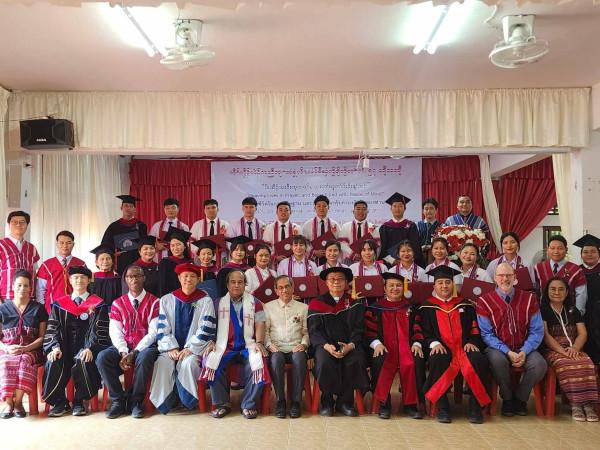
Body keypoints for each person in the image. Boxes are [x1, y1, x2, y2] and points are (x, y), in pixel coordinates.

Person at [419, 265, 491, 424]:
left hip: (464, 347)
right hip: (442, 348)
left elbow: (474, 327)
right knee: (437, 359)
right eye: (440, 283)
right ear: (434, 287)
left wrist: (472, 342)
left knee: (477, 359)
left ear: (453, 285)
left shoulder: (465, 305)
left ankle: (475, 408)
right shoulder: (426, 307)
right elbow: (425, 332)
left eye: (448, 282)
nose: (444, 286)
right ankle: (443, 407)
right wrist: (434, 344)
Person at [476, 263, 546, 417]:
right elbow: (486, 334)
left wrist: (524, 351)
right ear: (495, 278)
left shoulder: (529, 299)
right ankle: (507, 399)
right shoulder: (484, 301)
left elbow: (537, 330)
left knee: (539, 364)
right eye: (501, 275)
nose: (505, 279)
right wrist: (507, 352)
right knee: (498, 362)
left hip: (524, 347)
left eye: (508, 275)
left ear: (515, 277)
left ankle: (520, 398)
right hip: (497, 349)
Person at [42, 266, 110, 417]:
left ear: (88, 281)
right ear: (70, 280)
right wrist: (55, 347)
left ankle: (79, 400)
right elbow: (53, 327)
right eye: (76, 278)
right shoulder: (60, 304)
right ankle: (60, 402)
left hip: (86, 348)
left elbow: (99, 330)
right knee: (54, 359)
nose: (79, 280)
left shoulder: (98, 304)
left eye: (83, 277)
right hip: (64, 347)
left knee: (84, 359)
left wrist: (90, 348)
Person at [201, 269, 269, 419]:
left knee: (259, 361)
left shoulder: (255, 303)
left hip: (248, 346)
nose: (237, 285)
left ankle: (248, 404)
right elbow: (211, 325)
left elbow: (260, 323)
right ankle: (223, 403)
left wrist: (259, 342)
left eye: (240, 282)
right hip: (225, 347)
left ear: (245, 285)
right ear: (227, 285)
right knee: (210, 360)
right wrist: (211, 341)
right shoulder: (218, 303)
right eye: (233, 282)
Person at [149, 264, 215, 414]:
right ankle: (168, 401)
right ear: (179, 278)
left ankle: (186, 400)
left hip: (194, 348)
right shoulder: (167, 300)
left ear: (198, 279)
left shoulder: (205, 301)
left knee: (188, 364)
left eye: (192, 276)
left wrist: (190, 348)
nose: (188, 279)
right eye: (185, 276)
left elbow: (205, 327)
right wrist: (171, 347)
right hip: (171, 348)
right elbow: (162, 327)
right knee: (162, 362)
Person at [97, 265, 160, 419]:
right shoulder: (118, 303)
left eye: (138, 276)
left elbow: (153, 333)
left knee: (145, 358)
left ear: (144, 278)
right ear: (125, 280)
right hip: (124, 347)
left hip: (146, 347)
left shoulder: (155, 302)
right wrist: (123, 351)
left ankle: (136, 401)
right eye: (130, 276)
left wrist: (135, 352)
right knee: (103, 357)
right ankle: (119, 400)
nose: (134, 279)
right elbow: (115, 332)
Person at [308, 266, 370, 417]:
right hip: (325, 346)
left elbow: (358, 329)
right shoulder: (317, 303)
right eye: (332, 279)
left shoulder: (354, 303)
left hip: (350, 345)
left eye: (340, 279)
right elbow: (314, 330)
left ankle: (345, 402)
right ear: (326, 283)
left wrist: (350, 345)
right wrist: (326, 346)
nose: (336, 282)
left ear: (346, 282)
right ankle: (327, 401)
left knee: (354, 360)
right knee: (324, 361)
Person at [364, 272, 425, 420]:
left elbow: (418, 329)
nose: (395, 288)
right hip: (384, 347)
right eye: (391, 285)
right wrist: (377, 345)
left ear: (404, 288)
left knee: (416, 360)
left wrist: (417, 344)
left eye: (399, 285)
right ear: (384, 289)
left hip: (407, 348)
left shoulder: (411, 309)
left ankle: (411, 405)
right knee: (379, 359)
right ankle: (384, 403)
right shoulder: (375, 309)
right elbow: (369, 332)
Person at [540, 277, 598, 422]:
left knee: (588, 363)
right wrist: (562, 351)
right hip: (553, 350)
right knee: (566, 363)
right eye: (553, 289)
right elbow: (545, 335)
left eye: (561, 289)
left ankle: (588, 405)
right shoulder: (543, 310)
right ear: (547, 291)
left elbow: (583, 333)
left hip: (574, 349)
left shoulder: (573, 310)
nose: (557, 292)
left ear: (567, 293)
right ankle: (576, 404)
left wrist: (575, 348)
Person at [0, 270, 48, 418]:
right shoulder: (2, 309)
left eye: (26, 285)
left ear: (30, 288)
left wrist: (26, 348)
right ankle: (9, 403)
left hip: (32, 350)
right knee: (5, 361)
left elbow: (42, 337)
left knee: (24, 359)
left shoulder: (39, 308)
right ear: (13, 286)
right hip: (7, 349)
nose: (22, 288)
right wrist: (6, 348)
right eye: (19, 285)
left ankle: (19, 403)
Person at [264, 275, 309, 419]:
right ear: (276, 291)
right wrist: (269, 344)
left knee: (300, 359)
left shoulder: (303, 308)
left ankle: (295, 402)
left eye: (287, 286)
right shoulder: (268, 307)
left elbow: (306, 332)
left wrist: (304, 344)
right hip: (276, 348)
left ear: (293, 288)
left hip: (296, 347)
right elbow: (265, 331)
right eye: (281, 287)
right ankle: (280, 402)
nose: (285, 290)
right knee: (276, 360)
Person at [534, 235, 587, 314]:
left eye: (560, 248)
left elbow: (581, 294)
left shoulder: (576, 270)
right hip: (543, 312)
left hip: (568, 313)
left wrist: (578, 313)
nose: (556, 252)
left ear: (566, 249)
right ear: (547, 249)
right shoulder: (538, 268)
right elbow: (535, 291)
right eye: (552, 248)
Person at [36, 230, 86, 313]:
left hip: (75, 308)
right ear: (57, 244)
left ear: (73, 244)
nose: (65, 246)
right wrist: (43, 308)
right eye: (61, 243)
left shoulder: (81, 264)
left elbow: (86, 287)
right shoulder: (46, 265)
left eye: (68, 243)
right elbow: (40, 290)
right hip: (52, 309)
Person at [100, 195, 148, 276]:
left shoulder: (141, 226)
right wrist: (113, 253)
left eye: (131, 206)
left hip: (136, 260)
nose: (128, 208)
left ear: (135, 209)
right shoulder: (113, 226)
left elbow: (144, 244)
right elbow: (105, 245)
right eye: (126, 205)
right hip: (119, 261)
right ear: (121, 208)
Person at [0, 211, 40, 302]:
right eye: (14, 222)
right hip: (7, 298)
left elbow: (34, 275)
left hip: (29, 298)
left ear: (27, 225)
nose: (18, 225)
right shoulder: (1, 246)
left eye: (22, 222)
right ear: (9, 225)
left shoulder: (32, 248)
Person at [573, 234, 600, 363]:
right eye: (586, 252)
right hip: (581, 315)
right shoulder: (576, 272)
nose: (589, 255)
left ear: (599, 254)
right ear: (581, 254)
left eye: (593, 251)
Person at [379, 192, 424, 269]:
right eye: (395, 206)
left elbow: (415, 246)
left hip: (409, 264)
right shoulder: (385, 227)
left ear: (404, 208)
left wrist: (407, 259)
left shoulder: (411, 226)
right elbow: (382, 248)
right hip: (390, 265)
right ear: (391, 209)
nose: (397, 209)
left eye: (400, 206)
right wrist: (392, 260)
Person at [226, 197, 265, 267]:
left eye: (251, 207)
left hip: (257, 257)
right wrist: (239, 252)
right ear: (243, 208)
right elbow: (229, 242)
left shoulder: (262, 225)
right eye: (246, 207)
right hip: (240, 258)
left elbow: (264, 242)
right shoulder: (234, 224)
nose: (249, 209)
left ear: (256, 208)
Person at [302, 195, 341, 266]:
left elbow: (339, 242)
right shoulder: (307, 225)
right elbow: (305, 243)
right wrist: (314, 252)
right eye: (319, 206)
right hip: (313, 261)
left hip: (331, 260)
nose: (321, 208)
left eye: (324, 206)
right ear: (315, 207)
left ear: (328, 207)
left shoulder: (335, 225)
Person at [262, 201, 303, 267]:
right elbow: (266, 246)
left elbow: (301, 245)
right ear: (276, 212)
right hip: (274, 264)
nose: (283, 212)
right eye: (280, 210)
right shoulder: (269, 228)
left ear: (290, 212)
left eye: (286, 210)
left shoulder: (297, 228)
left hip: (293, 262)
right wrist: (275, 257)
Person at [338, 200, 380, 264]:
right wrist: (353, 255)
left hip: (369, 260)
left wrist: (370, 257)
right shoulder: (345, 226)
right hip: (350, 260)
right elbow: (343, 244)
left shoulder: (373, 228)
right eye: (358, 209)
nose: (361, 211)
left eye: (364, 209)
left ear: (367, 212)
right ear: (353, 211)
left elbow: (378, 245)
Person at [190, 198, 229, 266]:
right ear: (204, 210)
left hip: (221, 258)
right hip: (201, 259)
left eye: (213, 207)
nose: (211, 210)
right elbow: (191, 241)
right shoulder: (197, 225)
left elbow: (229, 241)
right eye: (208, 208)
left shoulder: (225, 224)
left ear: (218, 209)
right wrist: (199, 251)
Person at [149, 198, 190, 263]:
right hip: (160, 260)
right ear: (164, 210)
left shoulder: (184, 227)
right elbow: (149, 242)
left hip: (178, 261)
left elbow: (187, 245)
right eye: (167, 208)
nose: (170, 210)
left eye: (173, 207)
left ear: (178, 209)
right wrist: (156, 246)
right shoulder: (157, 226)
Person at [157, 227, 193, 297]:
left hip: (187, 298)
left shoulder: (189, 263)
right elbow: (162, 286)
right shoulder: (165, 263)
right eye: (172, 245)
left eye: (178, 244)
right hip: (170, 298)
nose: (175, 248)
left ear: (184, 246)